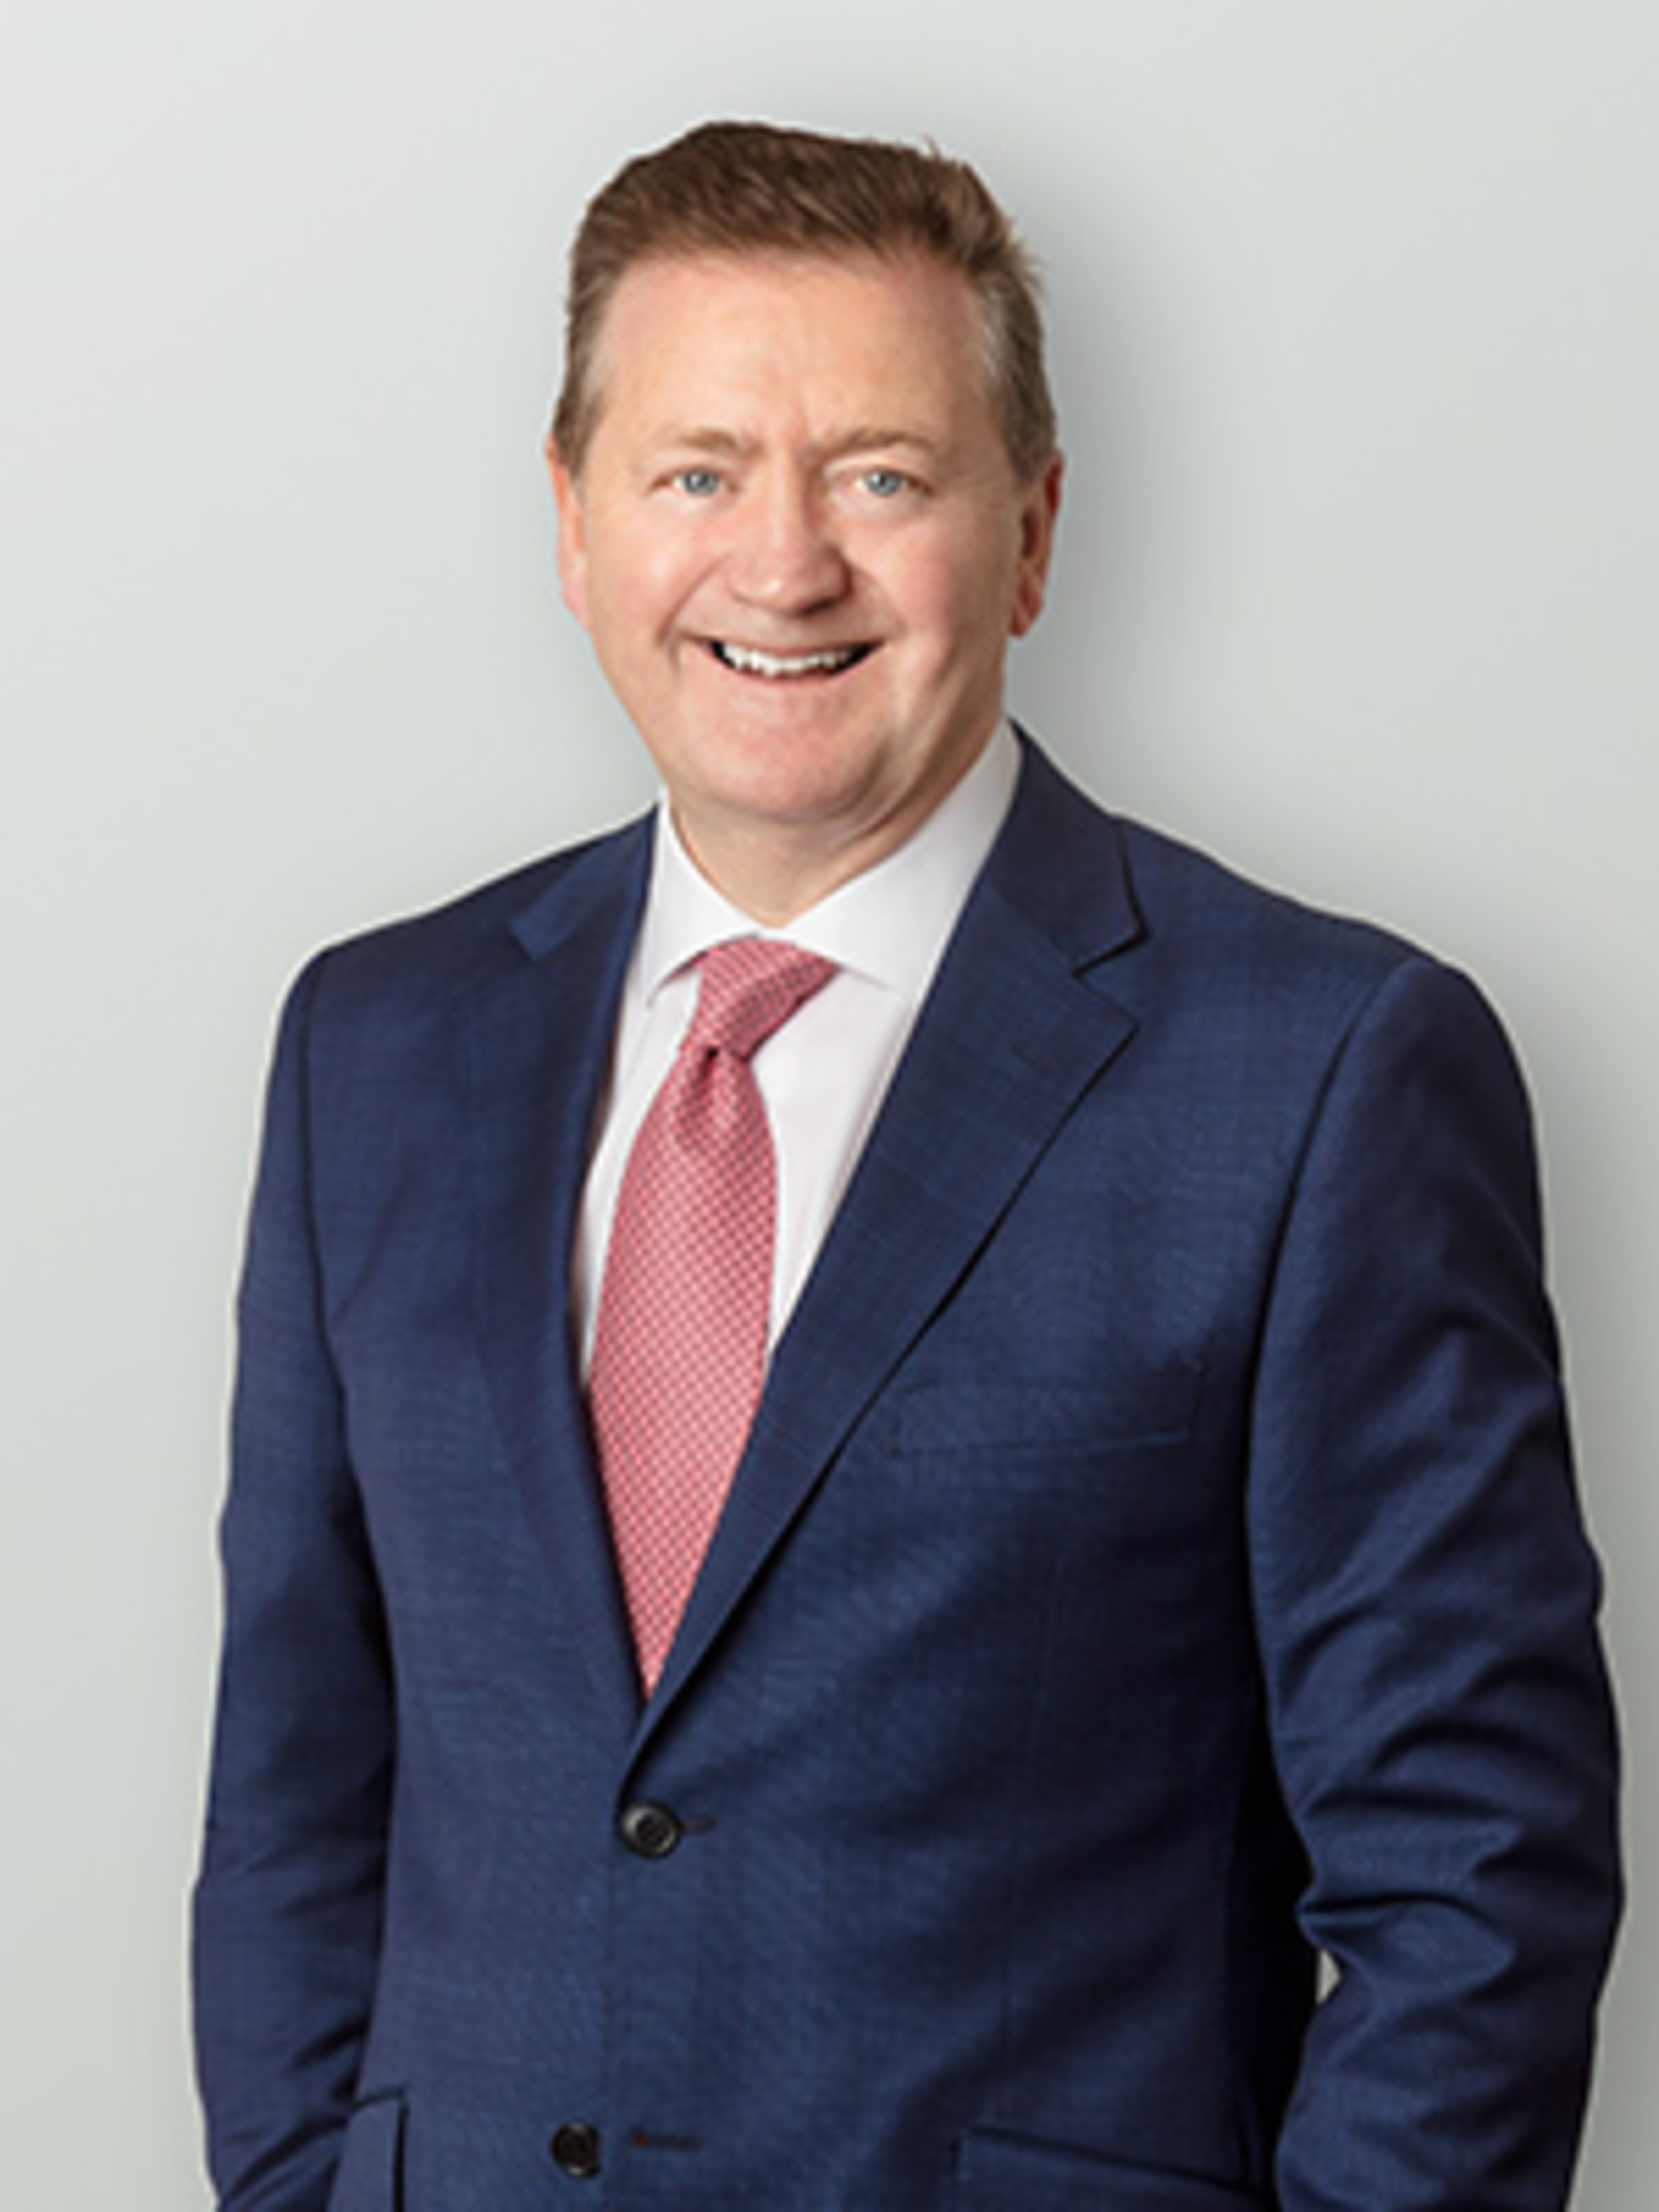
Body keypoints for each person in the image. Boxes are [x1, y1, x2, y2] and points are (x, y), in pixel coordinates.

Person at [192, 121, 1620, 2211]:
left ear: (1029, 533)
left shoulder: (1325, 1071)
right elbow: (296, 1796)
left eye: (879, 475)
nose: (781, 567)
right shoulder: (376, 1048)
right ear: (573, 525)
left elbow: (1472, 1880)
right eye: (695, 473)